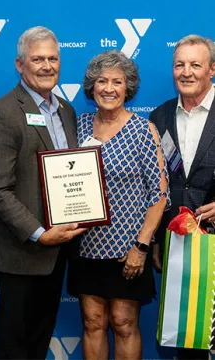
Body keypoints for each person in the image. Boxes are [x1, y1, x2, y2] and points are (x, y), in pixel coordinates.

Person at [0, 26, 86, 360]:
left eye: (53, 58)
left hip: (58, 252)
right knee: (14, 346)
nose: (47, 66)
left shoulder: (66, 110)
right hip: (22, 252)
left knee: (39, 340)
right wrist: (40, 234)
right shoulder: (3, 112)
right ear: (19, 65)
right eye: (37, 59)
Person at [67, 50, 170, 360]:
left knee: (124, 323)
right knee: (93, 322)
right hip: (86, 245)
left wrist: (141, 246)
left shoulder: (143, 130)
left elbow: (159, 194)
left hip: (128, 250)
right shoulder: (79, 125)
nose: (109, 88)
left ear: (128, 87)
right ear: (91, 86)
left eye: (117, 81)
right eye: (102, 81)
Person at [150, 34, 215, 360]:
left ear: (212, 69)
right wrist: (158, 240)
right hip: (180, 248)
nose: (186, 72)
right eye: (179, 65)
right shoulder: (159, 118)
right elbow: (157, 182)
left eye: (195, 64)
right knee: (188, 342)